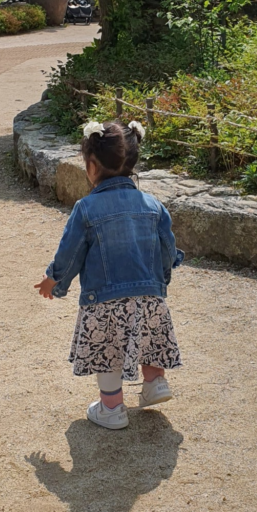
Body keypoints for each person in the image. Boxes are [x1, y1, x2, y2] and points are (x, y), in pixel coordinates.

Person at [35, 120, 184, 430]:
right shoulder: (154, 205)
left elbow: (71, 251)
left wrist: (55, 279)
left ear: (91, 165)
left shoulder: (86, 208)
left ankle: (112, 408)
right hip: (149, 292)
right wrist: (160, 282)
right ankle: (155, 383)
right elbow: (168, 249)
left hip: (105, 298)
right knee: (150, 337)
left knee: (108, 350)